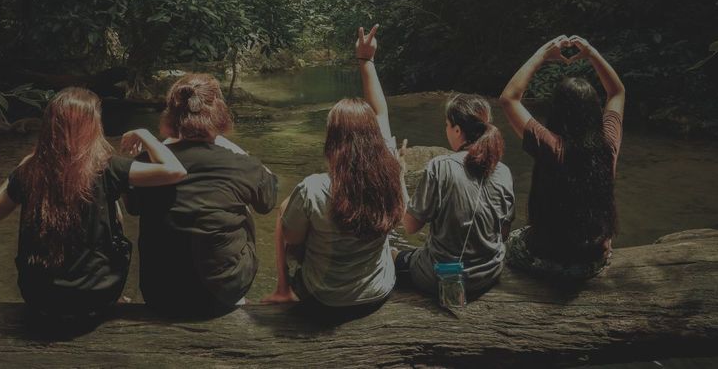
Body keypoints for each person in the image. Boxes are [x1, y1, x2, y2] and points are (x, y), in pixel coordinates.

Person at [0, 87, 187, 318]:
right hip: (95, 296)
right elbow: (176, 171)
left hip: (38, 296)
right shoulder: (107, 167)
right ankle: (114, 296)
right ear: (93, 125)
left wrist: (22, 167)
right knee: (111, 203)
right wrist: (146, 134)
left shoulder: (31, 169)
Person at [262, 25, 404, 317]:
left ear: (333, 140)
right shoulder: (389, 167)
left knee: (287, 210)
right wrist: (367, 61)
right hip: (378, 292)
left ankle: (282, 288)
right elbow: (381, 113)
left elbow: (293, 239)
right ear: (373, 137)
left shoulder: (314, 187)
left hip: (322, 299)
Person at [129, 73, 278, 317]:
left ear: (171, 115)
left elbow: (133, 206)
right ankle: (236, 293)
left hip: (159, 294)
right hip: (220, 297)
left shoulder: (147, 162)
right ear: (219, 114)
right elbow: (267, 203)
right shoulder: (241, 164)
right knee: (241, 204)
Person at [499, 35, 625, 279]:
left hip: (548, 258)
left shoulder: (550, 145)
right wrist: (591, 53)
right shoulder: (608, 146)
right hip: (592, 260)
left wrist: (543, 54)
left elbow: (509, 98)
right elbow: (617, 92)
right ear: (594, 110)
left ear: (556, 110)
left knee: (513, 240)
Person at [395, 94, 515, 300]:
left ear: (457, 130)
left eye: (447, 125)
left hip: (443, 276)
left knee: (393, 254)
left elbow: (410, 226)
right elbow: (503, 233)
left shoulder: (441, 166)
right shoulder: (504, 171)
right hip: (490, 273)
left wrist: (399, 176)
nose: (446, 130)